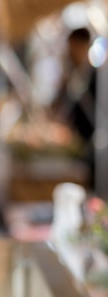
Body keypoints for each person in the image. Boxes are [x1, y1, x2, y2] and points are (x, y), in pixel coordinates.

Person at [53, 28, 97, 189]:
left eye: (74, 46)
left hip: (93, 144)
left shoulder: (96, 77)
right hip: (80, 144)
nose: (71, 52)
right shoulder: (72, 75)